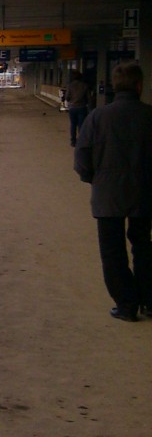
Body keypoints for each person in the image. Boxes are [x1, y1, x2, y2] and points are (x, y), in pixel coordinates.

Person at [73, 62, 152, 322]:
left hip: (108, 194)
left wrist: (92, 178)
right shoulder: (149, 115)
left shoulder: (97, 117)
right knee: (144, 245)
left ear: (114, 87)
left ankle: (126, 304)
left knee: (112, 250)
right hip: (145, 192)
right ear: (139, 85)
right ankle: (149, 300)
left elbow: (82, 156)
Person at [65, 70, 89, 146]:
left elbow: (67, 97)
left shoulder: (70, 85)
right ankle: (82, 141)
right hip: (82, 107)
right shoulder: (84, 85)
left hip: (72, 108)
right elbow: (89, 98)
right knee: (81, 125)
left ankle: (73, 141)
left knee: (73, 124)